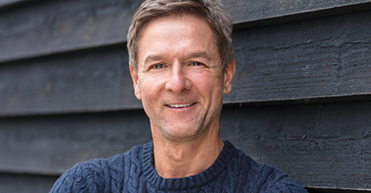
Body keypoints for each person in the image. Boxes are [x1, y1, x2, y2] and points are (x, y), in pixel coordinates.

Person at [50, 0, 308, 192]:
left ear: (227, 75)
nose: (177, 83)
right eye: (158, 65)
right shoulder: (85, 186)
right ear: (136, 81)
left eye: (195, 62)